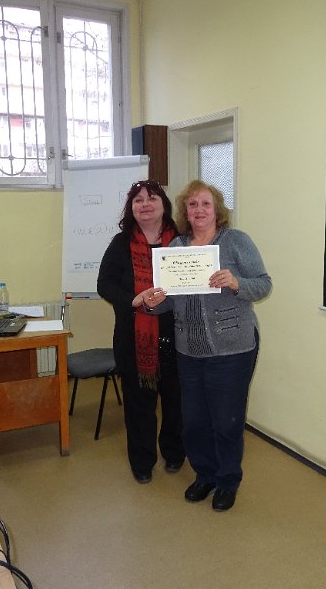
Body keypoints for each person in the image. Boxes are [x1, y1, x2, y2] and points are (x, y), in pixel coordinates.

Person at [141, 180, 272, 511]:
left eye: (205, 204)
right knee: (194, 421)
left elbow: (263, 284)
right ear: (185, 211)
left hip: (232, 348)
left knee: (226, 421)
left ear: (217, 210)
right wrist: (153, 303)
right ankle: (205, 475)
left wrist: (236, 282)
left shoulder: (236, 241)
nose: (198, 210)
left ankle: (227, 480)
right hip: (189, 350)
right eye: (192, 204)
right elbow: (168, 301)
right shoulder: (175, 248)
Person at [97, 180, 185, 484]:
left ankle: (174, 452)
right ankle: (142, 461)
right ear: (131, 208)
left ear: (164, 204)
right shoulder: (120, 243)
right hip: (134, 338)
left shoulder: (182, 241)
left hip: (178, 335)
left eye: (152, 198)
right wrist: (132, 299)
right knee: (138, 403)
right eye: (138, 200)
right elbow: (104, 283)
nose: (145, 204)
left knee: (176, 401)